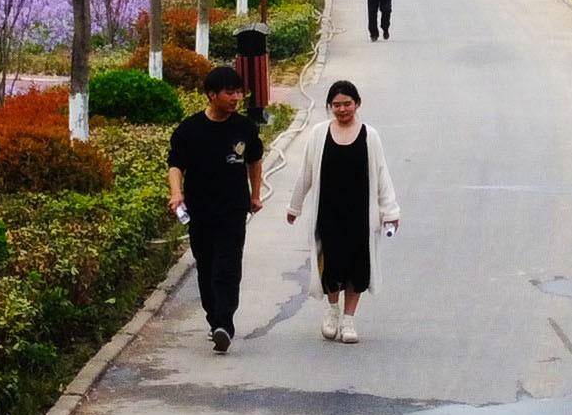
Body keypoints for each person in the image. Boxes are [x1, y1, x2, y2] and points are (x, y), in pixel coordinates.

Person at [281, 77, 400, 342]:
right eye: (336, 105)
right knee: (331, 264)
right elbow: (306, 173)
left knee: (357, 267)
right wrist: (295, 206)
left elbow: (382, 175)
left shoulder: (370, 136)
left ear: (357, 104)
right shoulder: (319, 134)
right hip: (329, 212)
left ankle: (349, 320)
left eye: (347, 104)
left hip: (360, 214)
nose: (342, 109)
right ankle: (332, 311)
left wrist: (390, 212)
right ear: (329, 107)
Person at [164, 63, 263, 353]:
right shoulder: (190, 129)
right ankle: (214, 319)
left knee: (227, 267)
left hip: (233, 210)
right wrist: (176, 194)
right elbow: (175, 165)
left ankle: (224, 323)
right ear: (211, 95)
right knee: (206, 268)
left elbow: (254, 161)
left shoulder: (244, 127)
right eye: (229, 93)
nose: (235, 98)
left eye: (238, 93)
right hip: (200, 211)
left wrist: (255, 195)